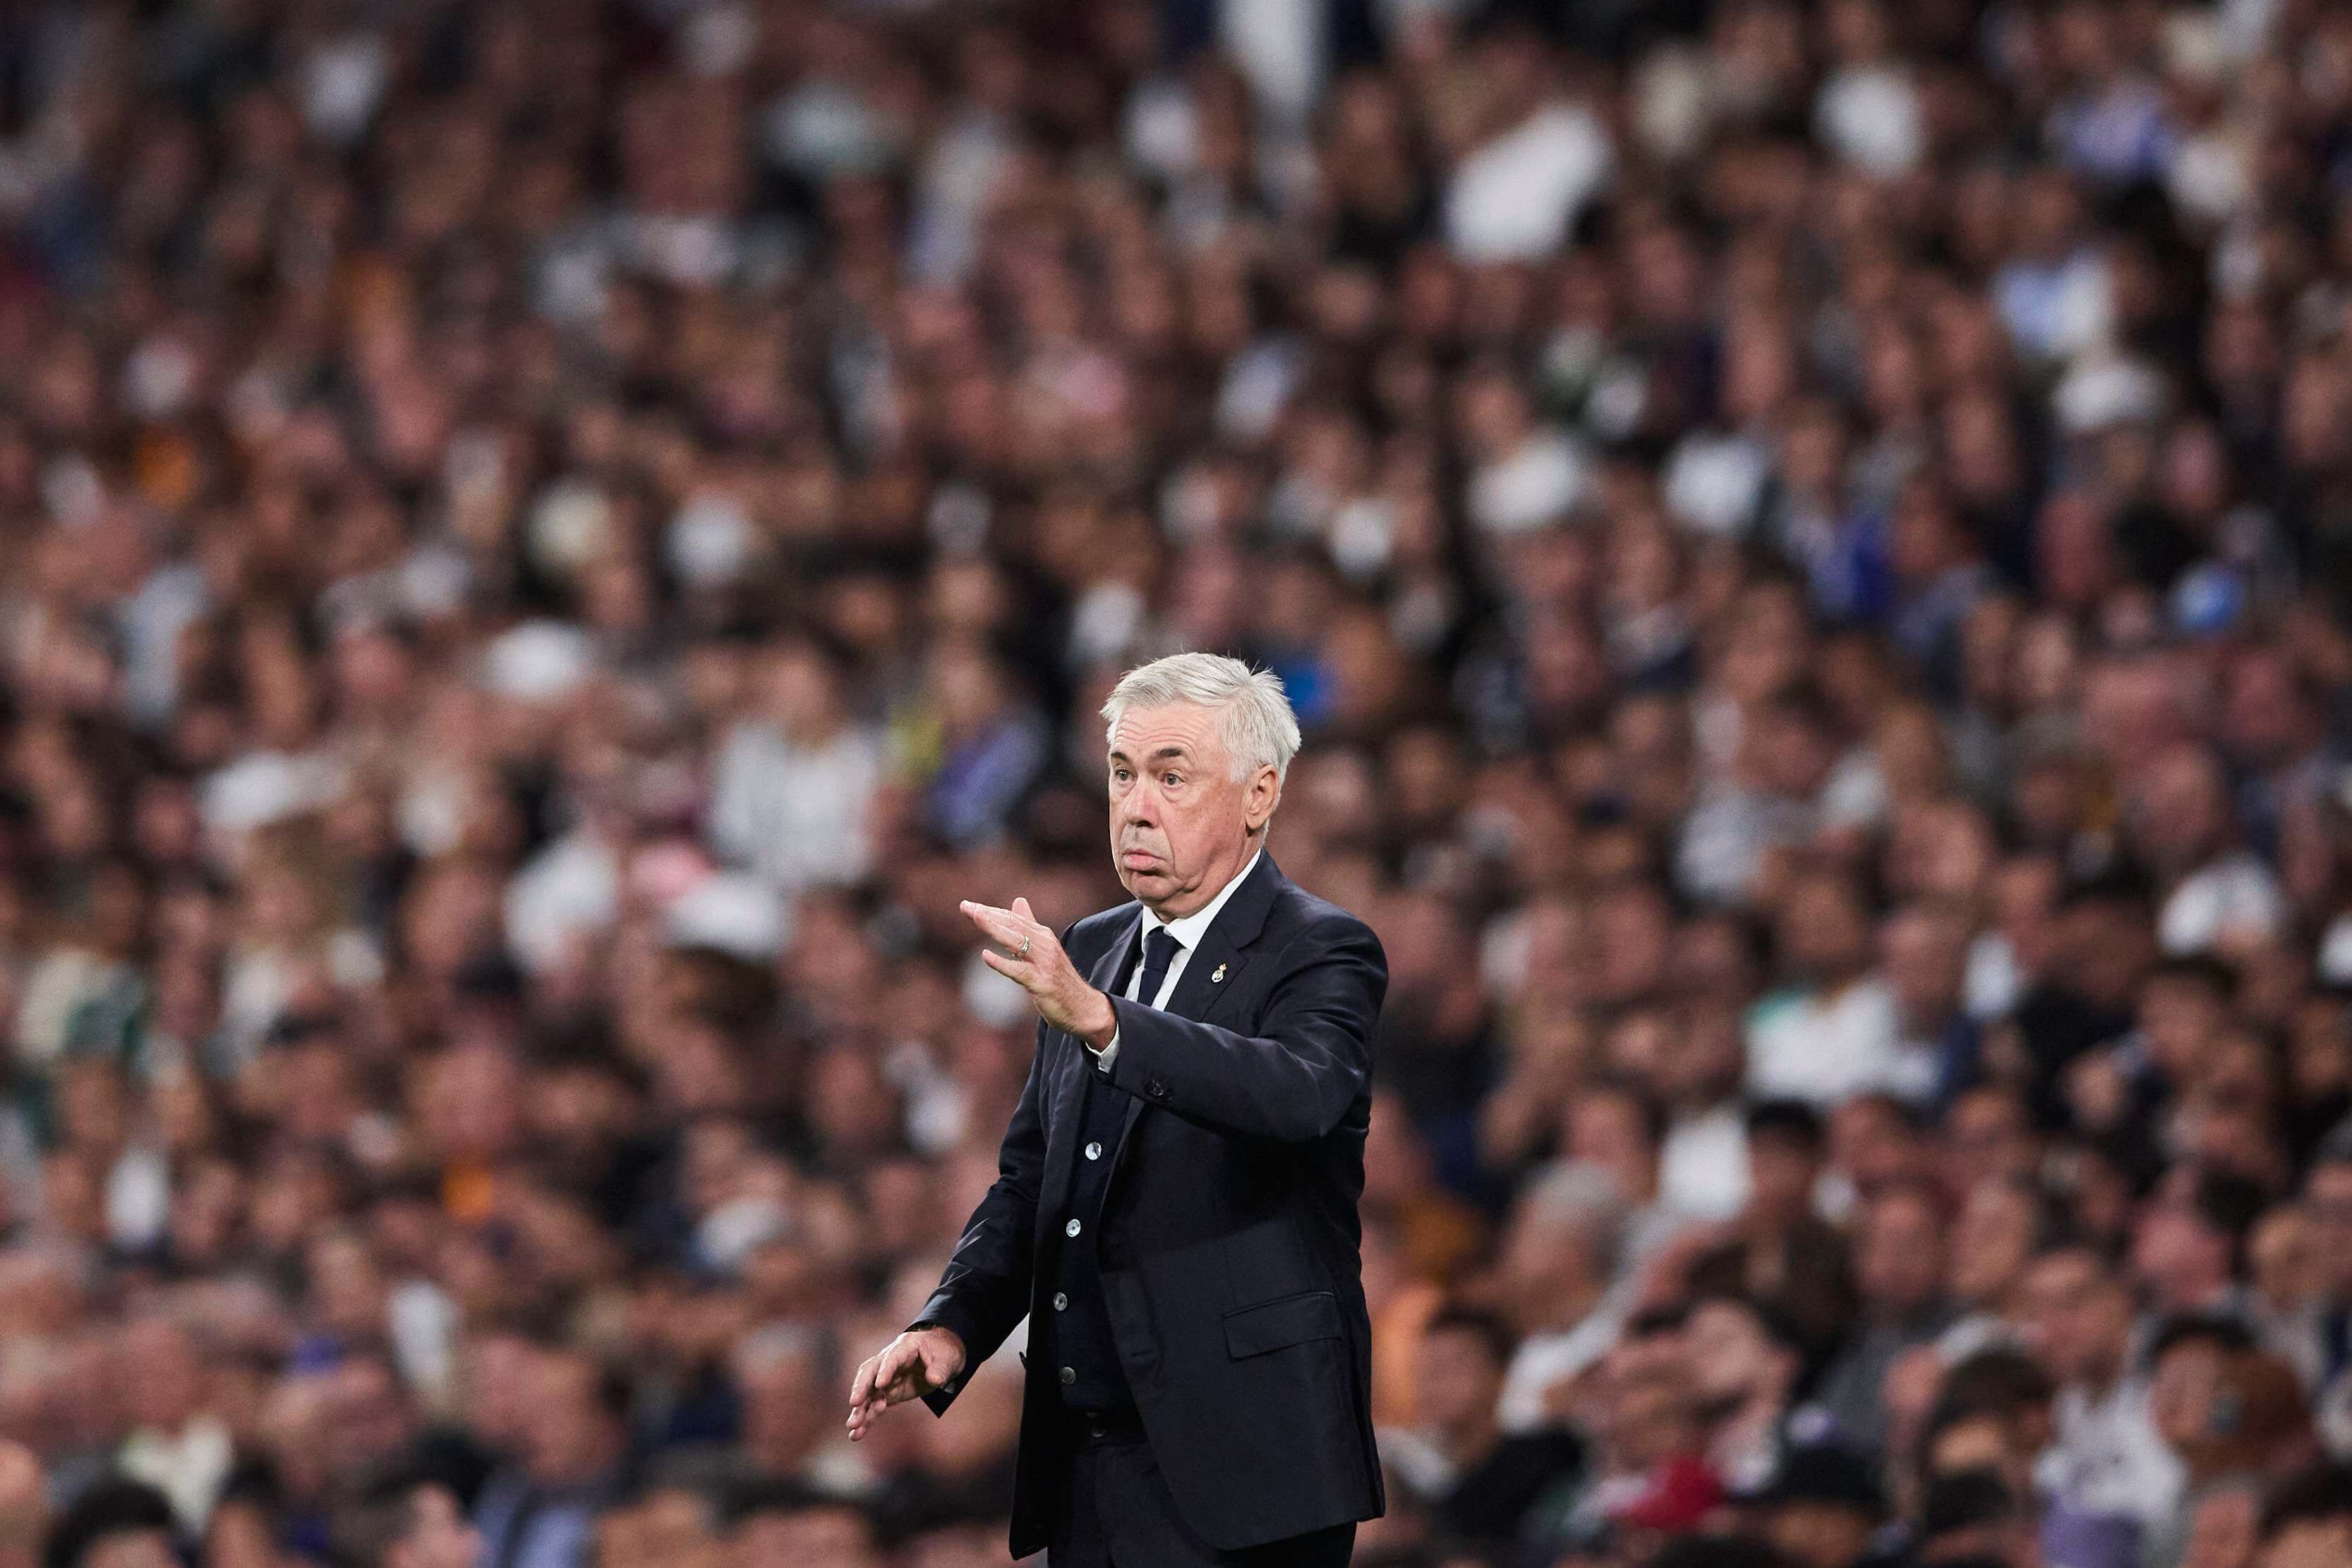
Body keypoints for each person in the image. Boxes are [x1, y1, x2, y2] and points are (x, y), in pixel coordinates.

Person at [845, 653, 1387, 1564]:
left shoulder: (1321, 946)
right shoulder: (1092, 948)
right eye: (1122, 773)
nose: (1136, 804)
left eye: (1172, 776)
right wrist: (953, 1320)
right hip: (1088, 1455)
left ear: (1258, 796)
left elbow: (1300, 1093)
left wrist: (1105, 1022)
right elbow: (1034, 1177)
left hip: (1242, 1464)